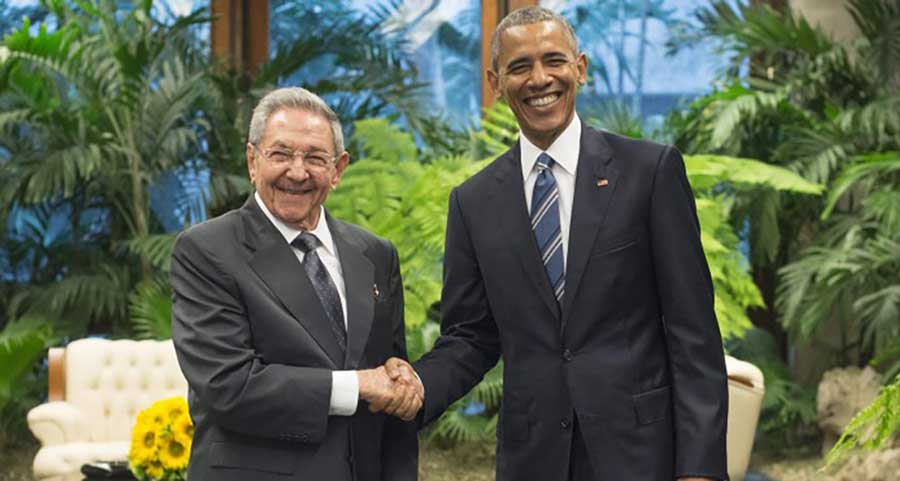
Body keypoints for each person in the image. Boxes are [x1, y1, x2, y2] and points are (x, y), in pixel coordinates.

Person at [387, 7, 728, 481]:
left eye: (554, 60)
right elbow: (470, 336)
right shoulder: (473, 202)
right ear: (495, 81)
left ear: (580, 69)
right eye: (520, 66)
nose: (540, 79)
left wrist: (701, 468)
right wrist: (419, 384)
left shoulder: (649, 173)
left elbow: (693, 333)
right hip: (533, 459)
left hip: (642, 455)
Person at [171, 87, 420, 481]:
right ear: (252, 161)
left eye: (315, 158)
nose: (298, 171)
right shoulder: (207, 251)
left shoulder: (375, 254)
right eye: (281, 154)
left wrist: (401, 381)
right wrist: (356, 386)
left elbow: (389, 384)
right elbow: (229, 386)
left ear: (338, 169)